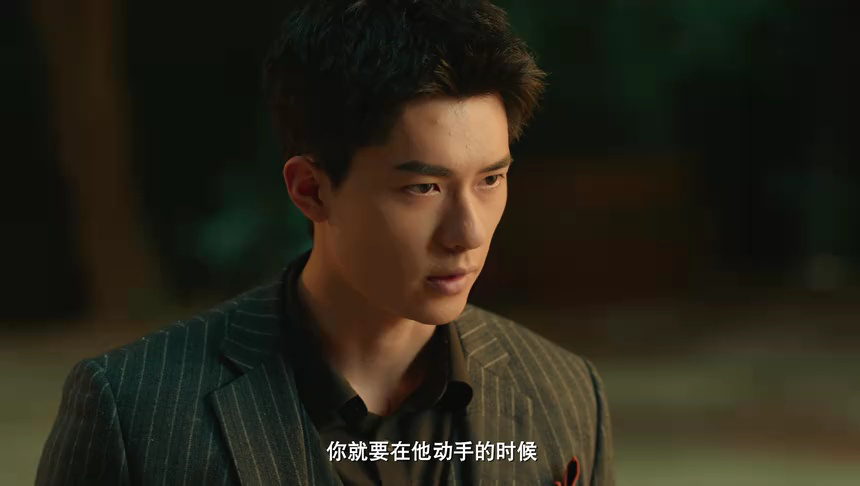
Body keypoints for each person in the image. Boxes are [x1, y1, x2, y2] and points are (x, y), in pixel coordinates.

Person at [36, 0, 614, 484]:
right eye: (423, 187)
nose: (469, 232)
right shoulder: (135, 411)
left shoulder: (566, 394)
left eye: (490, 179)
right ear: (311, 190)